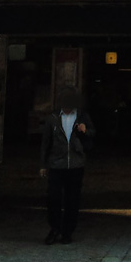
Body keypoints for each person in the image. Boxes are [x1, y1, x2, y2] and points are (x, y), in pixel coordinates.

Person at [39, 87, 95, 245]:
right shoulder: (53, 118)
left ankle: (67, 231)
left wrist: (85, 131)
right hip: (56, 164)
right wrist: (43, 164)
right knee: (53, 198)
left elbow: (93, 133)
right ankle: (54, 228)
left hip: (76, 165)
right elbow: (45, 143)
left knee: (72, 200)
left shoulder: (82, 116)